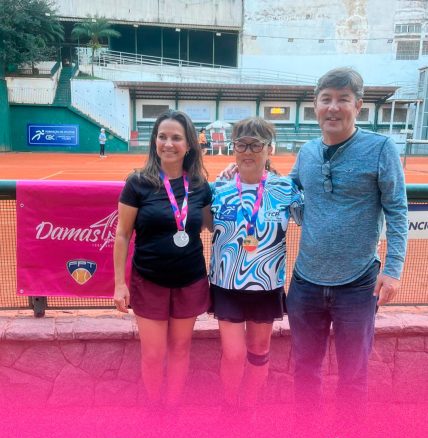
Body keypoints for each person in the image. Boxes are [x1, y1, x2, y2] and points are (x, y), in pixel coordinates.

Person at [286, 67, 408, 413]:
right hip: (305, 283)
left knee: (353, 376)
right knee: (304, 370)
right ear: (315, 105)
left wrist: (393, 269)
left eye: (343, 99)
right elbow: (288, 190)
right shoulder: (307, 151)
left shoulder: (381, 148)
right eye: (326, 99)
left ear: (358, 106)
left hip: (358, 285)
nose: (333, 107)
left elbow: (397, 211)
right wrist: (246, 177)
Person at [113, 110, 212, 411]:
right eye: (162, 137)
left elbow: (210, 224)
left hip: (189, 280)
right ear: (154, 141)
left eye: (176, 138)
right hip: (149, 280)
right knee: (153, 354)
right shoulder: (137, 182)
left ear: (189, 144)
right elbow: (122, 235)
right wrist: (119, 284)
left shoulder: (200, 185)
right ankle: (155, 409)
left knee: (180, 349)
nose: (168, 143)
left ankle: (172, 409)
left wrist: (234, 182)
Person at [209, 117, 303, 413]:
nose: (248, 151)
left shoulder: (285, 188)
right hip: (227, 285)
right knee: (234, 354)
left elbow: (314, 220)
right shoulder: (218, 188)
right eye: (241, 144)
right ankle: (229, 405)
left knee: (259, 351)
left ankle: (247, 408)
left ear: (269, 148)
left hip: (266, 285)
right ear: (233, 148)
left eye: (256, 144)